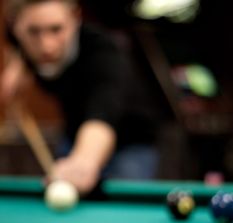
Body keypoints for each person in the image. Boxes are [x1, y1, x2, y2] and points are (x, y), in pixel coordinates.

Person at [1, 0, 165, 195]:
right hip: (76, 132)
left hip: (130, 139)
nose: (47, 46)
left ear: (75, 19)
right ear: (16, 27)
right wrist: (16, 66)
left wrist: (83, 161)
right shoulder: (16, 37)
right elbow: (15, 44)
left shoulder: (104, 52)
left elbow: (103, 110)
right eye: (33, 32)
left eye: (56, 29)